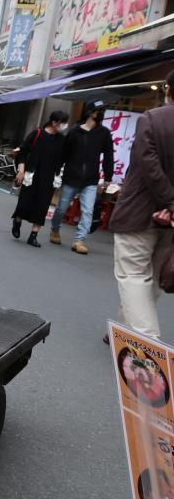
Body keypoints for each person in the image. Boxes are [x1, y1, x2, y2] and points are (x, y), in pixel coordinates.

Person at [109, 70, 174, 340]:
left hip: (141, 211)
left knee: (134, 275)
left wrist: (170, 202)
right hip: (170, 222)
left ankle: (148, 345)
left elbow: (148, 164)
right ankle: (123, 328)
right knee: (153, 276)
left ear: (168, 88)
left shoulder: (153, 118)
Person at [50, 100, 114, 254]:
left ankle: (79, 240)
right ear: (91, 113)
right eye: (99, 111)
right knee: (61, 209)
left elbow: (108, 156)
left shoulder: (104, 133)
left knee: (88, 211)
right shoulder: (74, 132)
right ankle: (55, 229)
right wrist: (57, 169)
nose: (102, 114)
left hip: (91, 180)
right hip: (71, 177)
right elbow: (64, 153)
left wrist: (107, 177)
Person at [11, 111, 70, 247]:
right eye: (63, 122)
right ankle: (17, 221)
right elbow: (23, 152)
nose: (65, 126)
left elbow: (65, 158)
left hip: (49, 177)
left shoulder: (62, 140)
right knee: (24, 203)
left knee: (42, 207)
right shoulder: (37, 134)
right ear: (54, 122)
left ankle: (33, 236)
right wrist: (21, 170)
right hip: (32, 175)